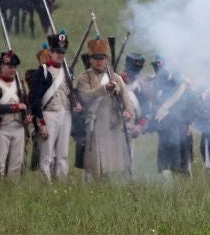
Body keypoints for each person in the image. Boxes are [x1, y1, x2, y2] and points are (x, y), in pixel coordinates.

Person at [76, 38, 134, 179]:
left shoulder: (114, 77)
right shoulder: (84, 78)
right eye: (96, 58)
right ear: (90, 59)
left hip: (113, 122)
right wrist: (104, 89)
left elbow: (126, 97)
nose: (99, 61)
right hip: (95, 123)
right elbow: (85, 97)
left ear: (106, 59)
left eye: (102, 58)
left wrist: (128, 111)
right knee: (95, 161)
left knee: (113, 160)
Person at [30, 33, 80, 182]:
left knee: (62, 153)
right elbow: (35, 99)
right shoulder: (43, 71)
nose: (60, 55)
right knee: (47, 155)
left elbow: (71, 92)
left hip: (66, 114)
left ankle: (61, 181)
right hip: (49, 114)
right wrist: (41, 123)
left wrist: (75, 103)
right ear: (50, 53)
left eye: (62, 52)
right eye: (57, 52)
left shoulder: (68, 71)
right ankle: (47, 184)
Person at [148, 58, 192, 176]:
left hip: (179, 125)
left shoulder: (182, 87)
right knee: (165, 156)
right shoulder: (157, 89)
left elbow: (188, 105)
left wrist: (188, 123)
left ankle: (182, 176)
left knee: (181, 156)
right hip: (165, 126)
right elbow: (154, 108)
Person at [0, 51, 30, 178]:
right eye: (9, 66)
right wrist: (16, 107)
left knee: (16, 164)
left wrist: (29, 115)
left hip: (19, 127)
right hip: (2, 128)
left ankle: (13, 189)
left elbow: (26, 103)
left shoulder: (20, 84)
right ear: (1, 67)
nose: (13, 69)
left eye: (14, 67)